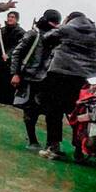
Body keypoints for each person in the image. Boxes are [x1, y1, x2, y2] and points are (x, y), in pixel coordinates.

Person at [37, 11, 96, 161]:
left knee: (54, 112)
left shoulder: (66, 29)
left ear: (70, 19)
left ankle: (53, 147)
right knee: (79, 114)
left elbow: (46, 39)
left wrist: (60, 29)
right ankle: (80, 150)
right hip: (84, 78)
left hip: (60, 74)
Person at [10, 9, 61, 150]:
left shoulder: (57, 38)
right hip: (29, 78)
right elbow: (17, 52)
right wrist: (15, 73)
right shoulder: (34, 34)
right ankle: (32, 140)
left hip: (47, 79)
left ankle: (50, 144)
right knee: (30, 111)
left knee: (49, 111)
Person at [0, 11, 25, 104]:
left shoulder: (20, 32)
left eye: (12, 17)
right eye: (9, 17)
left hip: (9, 63)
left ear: (16, 19)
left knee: (6, 83)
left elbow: (19, 46)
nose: (10, 19)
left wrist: (9, 54)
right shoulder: (2, 30)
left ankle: (5, 101)